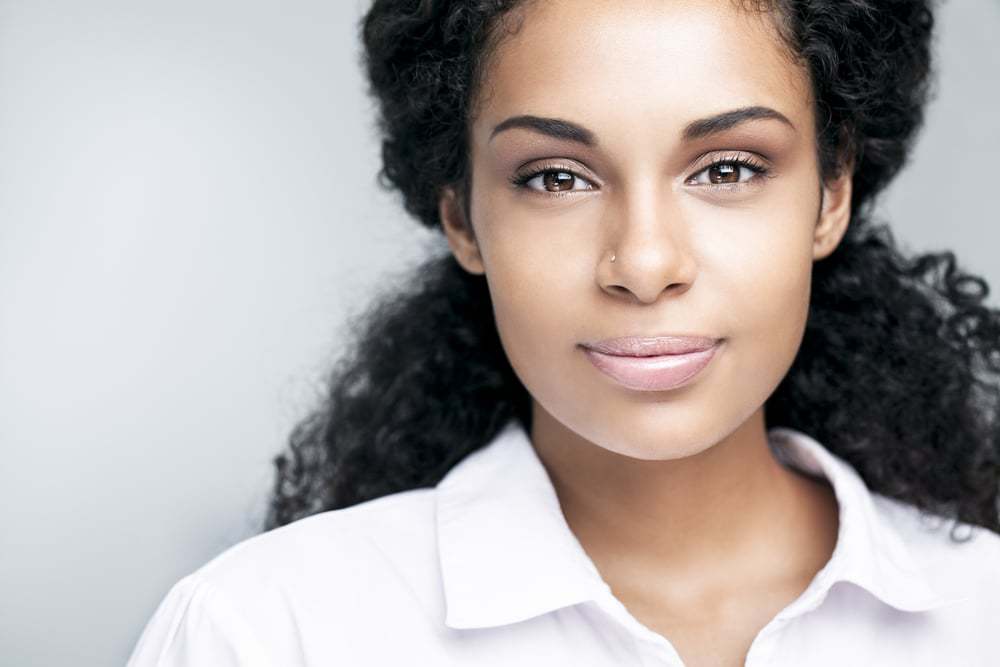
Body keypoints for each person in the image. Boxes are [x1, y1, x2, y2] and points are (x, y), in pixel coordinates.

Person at [127, 0, 1000, 665]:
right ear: (462, 215)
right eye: (555, 178)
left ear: (832, 192)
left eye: (728, 168)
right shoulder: (271, 632)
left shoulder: (983, 614)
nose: (645, 261)